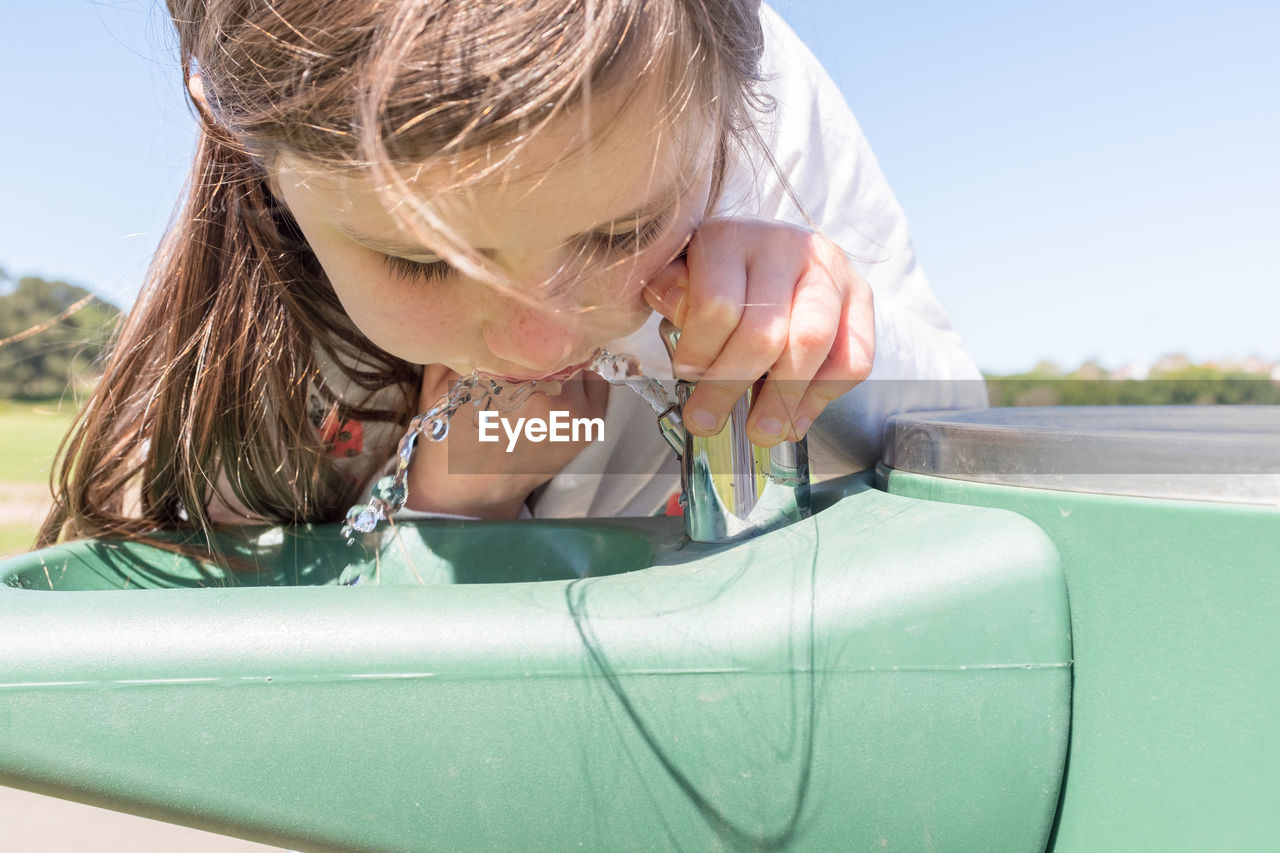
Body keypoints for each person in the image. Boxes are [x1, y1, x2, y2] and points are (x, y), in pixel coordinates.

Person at [39, 0, 984, 546]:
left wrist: (825, 332)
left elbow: (956, 431)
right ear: (233, 128)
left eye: (622, 232)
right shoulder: (251, 345)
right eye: (422, 261)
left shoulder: (721, 78)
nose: (545, 335)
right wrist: (454, 503)